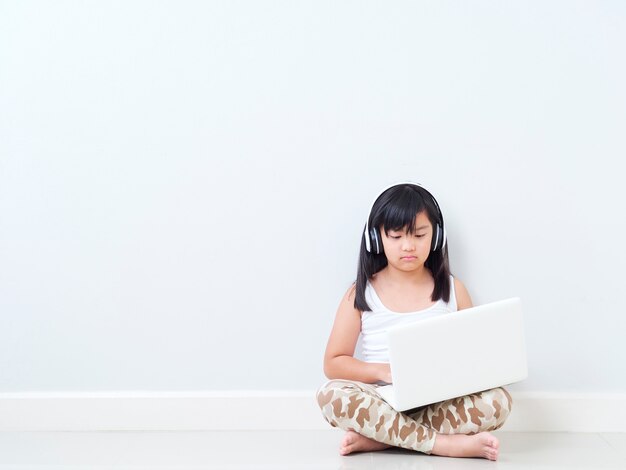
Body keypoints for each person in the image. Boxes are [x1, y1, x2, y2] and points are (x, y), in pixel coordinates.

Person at [316, 183, 512, 461]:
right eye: (395, 236)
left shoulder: (454, 290)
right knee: (330, 395)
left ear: (437, 237)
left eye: (420, 235)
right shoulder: (360, 293)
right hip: (383, 399)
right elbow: (333, 363)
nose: (408, 246)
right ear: (376, 239)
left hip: (440, 400)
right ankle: (442, 444)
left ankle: (382, 439)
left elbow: (474, 355)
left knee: (499, 401)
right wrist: (385, 372)